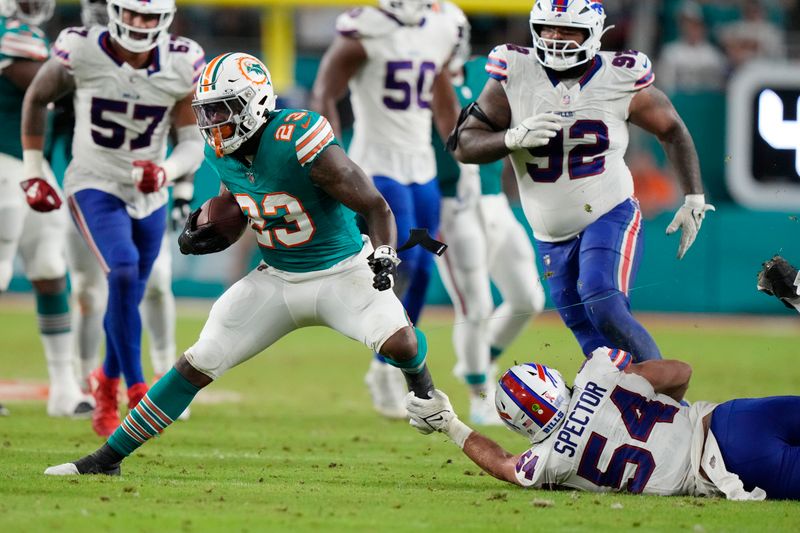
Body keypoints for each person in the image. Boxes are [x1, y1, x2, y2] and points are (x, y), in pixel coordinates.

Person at [43, 52, 438, 476]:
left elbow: (376, 205)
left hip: (342, 269)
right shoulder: (222, 152)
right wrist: (209, 231)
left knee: (403, 344)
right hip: (278, 278)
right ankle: (105, 460)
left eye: (222, 108)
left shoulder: (298, 137)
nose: (212, 120)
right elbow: (236, 204)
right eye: (206, 110)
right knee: (199, 359)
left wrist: (383, 253)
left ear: (255, 102)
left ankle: (426, 394)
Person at [450, 0, 716, 362]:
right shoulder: (515, 71)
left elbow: (672, 129)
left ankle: (671, 401)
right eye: (549, 28)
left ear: (594, 35)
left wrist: (694, 197)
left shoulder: (620, 75)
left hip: (609, 212)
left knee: (602, 300)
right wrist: (511, 138)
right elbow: (464, 145)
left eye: (568, 30)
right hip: (550, 235)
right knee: (592, 341)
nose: (556, 38)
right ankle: (633, 414)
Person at [21, 0, 206, 436]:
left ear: (165, 20)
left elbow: (189, 141)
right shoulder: (82, 49)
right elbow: (36, 98)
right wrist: (32, 169)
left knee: (131, 294)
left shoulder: (181, 62)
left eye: (150, 17)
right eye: (133, 14)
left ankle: (105, 381)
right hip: (92, 182)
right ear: (115, 12)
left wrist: (167, 172)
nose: (140, 24)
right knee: (121, 274)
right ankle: (139, 387)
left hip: (149, 192)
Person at [310, 0, 460, 418]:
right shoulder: (365, 27)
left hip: (423, 168)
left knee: (426, 267)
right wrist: (334, 158)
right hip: (377, 167)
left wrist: (460, 143)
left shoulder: (443, 25)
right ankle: (386, 364)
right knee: (407, 259)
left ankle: (384, 367)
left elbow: (440, 87)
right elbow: (324, 92)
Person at [406, 348, 800, 500]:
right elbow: (681, 370)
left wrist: (451, 425)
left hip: (729, 468)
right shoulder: (600, 373)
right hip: (733, 418)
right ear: (555, 382)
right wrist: (645, 397)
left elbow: (505, 464)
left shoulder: (550, 459)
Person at [434, 2, 544, 426]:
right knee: (475, 305)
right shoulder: (424, 83)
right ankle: (480, 393)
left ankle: (478, 363)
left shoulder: (489, 70)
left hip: (494, 201)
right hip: (453, 205)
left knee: (528, 298)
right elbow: (445, 142)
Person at [0, 0, 92, 418]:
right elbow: (35, 82)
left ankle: (63, 386)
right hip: (4, 163)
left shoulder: (30, 31)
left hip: (30, 168)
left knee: (51, 270)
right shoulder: (8, 29)